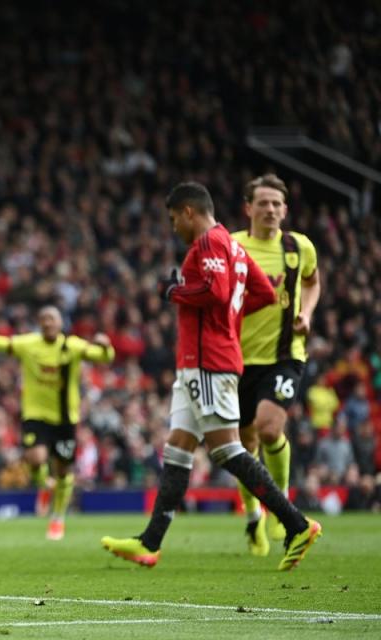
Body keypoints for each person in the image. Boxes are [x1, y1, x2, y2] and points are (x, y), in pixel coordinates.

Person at [101, 182, 322, 571]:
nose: (173, 228)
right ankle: (149, 543)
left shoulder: (206, 244)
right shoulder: (234, 245)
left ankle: (296, 524)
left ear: (189, 211)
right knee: (178, 447)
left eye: (174, 219)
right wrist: (229, 320)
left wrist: (175, 291)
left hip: (209, 360)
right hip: (199, 360)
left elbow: (217, 293)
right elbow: (265, 294)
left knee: (227, 449)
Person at [231, 173, 321, 556]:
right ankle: (254, 516)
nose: (270, 209)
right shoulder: (232, 246)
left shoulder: (299, 247)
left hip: (285, 355)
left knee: (269, 429)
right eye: (263, 203)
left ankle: (280, 502)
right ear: (248, 208)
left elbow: (313, 282)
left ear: (285, 209)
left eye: (277, 204)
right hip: (236, 360)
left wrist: (308, 312)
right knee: (244, 443)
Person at [0, 307, 115, 540]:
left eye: (52, 319)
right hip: (35, 414)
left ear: (60, 323)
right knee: (35, 458)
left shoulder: (73, 346)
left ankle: (57, 518)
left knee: (64, 470)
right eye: (44, 319)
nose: (48, 323)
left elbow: (104, 357)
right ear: (39, 323)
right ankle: (44, 484)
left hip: (65, 419)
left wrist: (106, 345)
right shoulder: (29, 344)